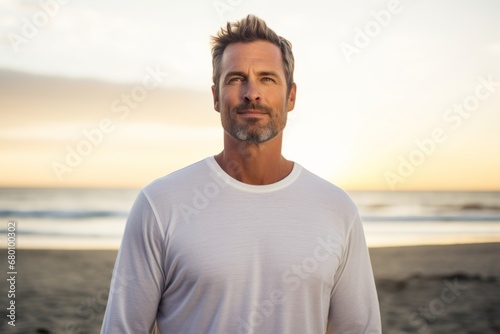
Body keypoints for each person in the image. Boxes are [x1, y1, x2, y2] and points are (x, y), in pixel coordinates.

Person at [101, 14, 381, 334]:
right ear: (216, 98)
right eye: (235, 79)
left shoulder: (337, 208)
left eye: (267, 78)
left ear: (291, 96)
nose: (252, 93)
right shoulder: (160, 203)